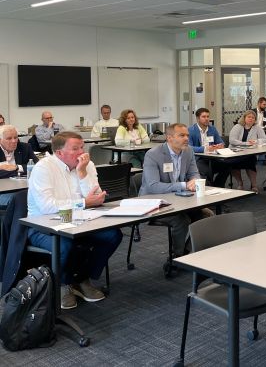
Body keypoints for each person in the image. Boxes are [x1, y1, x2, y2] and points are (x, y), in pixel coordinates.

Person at [27, 131, 122, 310]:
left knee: (113, 235)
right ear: (59, 153)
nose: (82, 152)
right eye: (75, 149)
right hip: (44, 225)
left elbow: (96, 198)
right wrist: (83, 203)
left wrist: (82, 173)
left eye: (82, 147)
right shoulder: (43, 168)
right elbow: (47, 207)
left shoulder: (87, 165)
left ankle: (81, 279)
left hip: (79, 222)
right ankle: (64, 284)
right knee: (64, 245)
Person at [139, 123, 212, 258]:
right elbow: (153, 186)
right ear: (169, 138)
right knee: (181, 220)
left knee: (207, 215)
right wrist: (184, 185)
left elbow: (194, 173)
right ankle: (176, 258)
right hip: (153, 202)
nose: (186, 139)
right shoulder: (153, 155)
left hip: (179, 199)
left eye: (187, 136)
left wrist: (194, 181)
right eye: (181, 135)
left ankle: (186, 251)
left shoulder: (188, 151)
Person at [188, 107, 229, 188]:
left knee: (227, 166)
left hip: (213, 158)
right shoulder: (191, 130)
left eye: (208, 116)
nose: (206, 119)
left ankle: (218, 186)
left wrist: (219, 146)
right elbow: (189, 148)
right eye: (203, 117)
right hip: (199, 159)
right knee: (205, 170)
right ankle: (207, 188)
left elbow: (221, 142)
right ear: (197, 118)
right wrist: (205, 149)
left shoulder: (212, 129)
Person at [0, 125, 38, 208]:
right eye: (9, 138)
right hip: (3, 192)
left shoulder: (25, 147)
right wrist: (22, 170)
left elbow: (37, 167)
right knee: (20, 201)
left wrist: (17, 167)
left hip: (23, 188)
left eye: (16, 137)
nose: (14, 141)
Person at [228, 110, 266, 192]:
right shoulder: (238, 126)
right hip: (235, 152)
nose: (251, 119)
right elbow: (232, 140)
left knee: (251, 160)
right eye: (249, 117)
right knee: (233, 163)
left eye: (253, 117)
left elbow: (264, 139)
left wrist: (256, 141)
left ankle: (254, 185)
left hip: (250, 152)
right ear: (244, 118)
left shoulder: (257, 127)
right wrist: (245, 143)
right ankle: (240, 183)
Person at [253, 96, 266, 164]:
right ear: (259, 104)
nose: (265, 106)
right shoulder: (252, 112)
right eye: (264, 104)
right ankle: (253, 158)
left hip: (263, 131)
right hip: (253, 131)